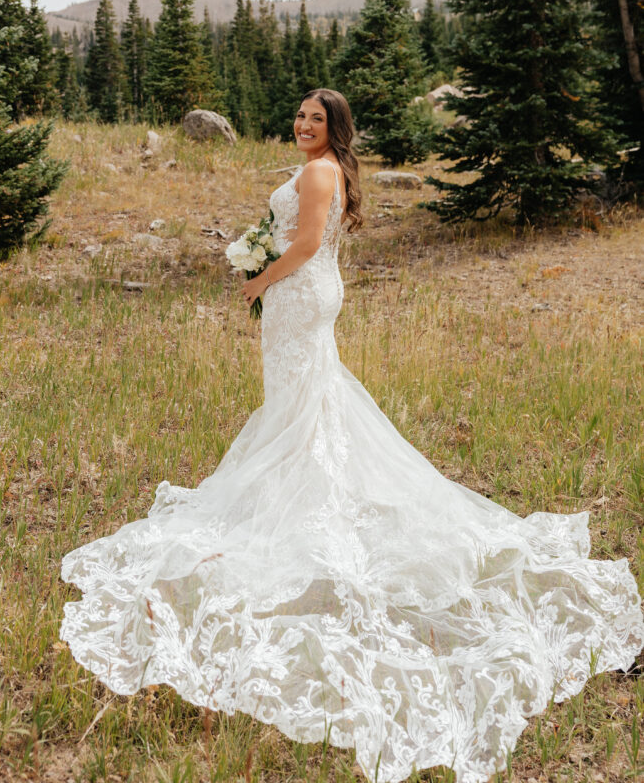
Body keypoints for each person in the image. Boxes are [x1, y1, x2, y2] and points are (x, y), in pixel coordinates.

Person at [60, 88, 644, 783]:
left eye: (315, 118)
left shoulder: (315, 173)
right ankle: (305, 485)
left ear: (334, 128)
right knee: (308, 404)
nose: (303, 124)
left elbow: (305, 242)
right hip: (313, 291)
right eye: (299, 114)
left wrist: (258, 281)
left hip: (301, 291)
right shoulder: (330, 168)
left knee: (303, 405)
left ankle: (310, 504)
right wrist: (264, 263)